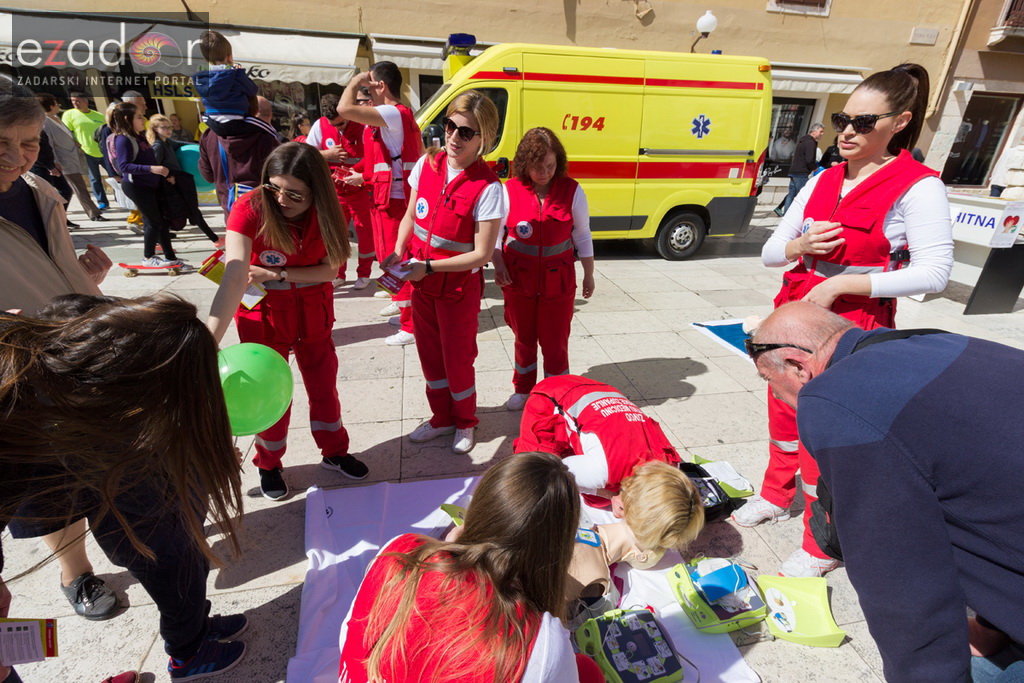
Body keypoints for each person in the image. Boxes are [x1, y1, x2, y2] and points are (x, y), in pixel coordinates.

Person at [733, 63, 954, 578]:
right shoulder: (821, 177)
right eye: (841, 119)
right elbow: (771, 251)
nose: (847, 132)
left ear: (899, 122)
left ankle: (822, 543)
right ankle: (774, 494)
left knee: (826, 437)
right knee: (784, 416)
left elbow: (935, 273)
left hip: (851, 325)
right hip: (793, 315)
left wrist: (838, 284)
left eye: (862, 121)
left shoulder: (918, 186)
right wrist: (798, 245)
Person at [748, 301, 1024, 682]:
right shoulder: (934, 342)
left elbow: (899, 576)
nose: (776, 396)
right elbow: (989, 480)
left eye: (768, 380)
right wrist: (992, 628)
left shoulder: (835, 400)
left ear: (798, 365)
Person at [0, 294, 249, 683]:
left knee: (186, 567)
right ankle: (189, 654)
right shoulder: (30, 423)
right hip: (140, 518)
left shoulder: (62, 369)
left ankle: (195, 632)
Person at [0, 81, 118, 628]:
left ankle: (132, 531)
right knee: (52, 484)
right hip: (21, 378)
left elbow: (50, 263)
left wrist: (82, 279)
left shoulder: (41, 191)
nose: (15, 156)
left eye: (27, 142)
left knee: (105, 458)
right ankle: (76, 572)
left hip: (82, 352)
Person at [338, 451, 603, 683]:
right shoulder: (540, 642)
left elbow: (348, 639)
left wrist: (447, 548)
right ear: (556, 548)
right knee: (587, 671)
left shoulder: (400, 550)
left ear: (479, 508)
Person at [206, 142, 368, 500]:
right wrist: (207, 338)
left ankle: (335, 452)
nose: (281, 200)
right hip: (262, 319)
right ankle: (269, 464)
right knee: (268, 397)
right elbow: (234, 274)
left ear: (316, 193)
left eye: (294, 194)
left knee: (324, 390)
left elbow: (330, 270)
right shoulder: (248, 209)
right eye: (273, 187)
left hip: (313, 316)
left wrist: (276, 273)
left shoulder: (330, 213)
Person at [388, 91, 504, 454]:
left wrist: (428, 267)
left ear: (483, 138)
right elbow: (410, 216)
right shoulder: (428, 164)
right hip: (421, 285)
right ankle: (441, 418)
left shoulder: (488, 187)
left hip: (455, 291)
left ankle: (465, 421)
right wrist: (395, 253)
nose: (453, 137)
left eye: (465, 132)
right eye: (450, 126)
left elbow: (481, 253)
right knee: (429, 355)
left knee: (457, 359)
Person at [513, 374, 703, 557]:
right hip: (553, 394)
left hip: (599, 393)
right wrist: (608, 494)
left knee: (599, 497)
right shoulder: (601, 469)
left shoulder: (672, 468)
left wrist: (614, 496)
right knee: (531, 477)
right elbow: (552, 473)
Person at [492, 128, 595, 411]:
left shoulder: (572, 191)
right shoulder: (508, 190)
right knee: (523, 339)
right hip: (518, 281)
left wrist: (589, 273)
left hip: (558, 283)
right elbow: (495, 235)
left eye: (550, 166)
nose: (544, 172)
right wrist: (498, 265)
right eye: (538, 166)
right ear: (525, 163)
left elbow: (583, 235)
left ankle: (556, 393)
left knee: (555, 342)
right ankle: (523, 389)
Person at [337, 62, 423, 346]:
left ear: (381, 85)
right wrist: (363, 175)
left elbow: (343, 110)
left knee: (397, 260)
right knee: (392, 257)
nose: (365, 91)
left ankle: (411, 326)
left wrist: (355, 82)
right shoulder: (397, 115)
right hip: (387, 198)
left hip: (394, 203)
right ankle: (405, 310)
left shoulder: (391, 112)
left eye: (369, 85)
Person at [108, 102, 191, 270]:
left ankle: (170, 258)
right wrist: (152, 169)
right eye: (139, 117)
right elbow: (123, 166)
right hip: (136, 186)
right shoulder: (123, 139)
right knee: (154, 222)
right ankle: (148, 257)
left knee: (161, 221)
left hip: (150, 185)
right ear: (127, 119)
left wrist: (162, 175)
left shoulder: (139, 136)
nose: (143, 119)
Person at [304, 93, 375, 290]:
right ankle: (338, 273)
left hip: (360, 190)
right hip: (334, 191)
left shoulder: (363, 125)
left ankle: (365, 273)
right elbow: (307, 154)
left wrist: (357, 171)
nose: (338, 128)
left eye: (342, 124)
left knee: (365, 233)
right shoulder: (319, 126)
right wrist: (328, 154)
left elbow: (373, 156)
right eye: (334, 125)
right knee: (336, 234)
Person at [147, 114, 222, 248]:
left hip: (178, 181)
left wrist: (203, 146)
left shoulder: (168, 142)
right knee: (178, 213)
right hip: (170, 184)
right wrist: (167, 179)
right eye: (164, 127)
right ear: (155, 129)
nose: (168, 130)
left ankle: (215, 239)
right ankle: (158, 243)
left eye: (169, 127)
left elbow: (182, 144)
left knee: (192, 210)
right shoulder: (158, 146)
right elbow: (155, 169)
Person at [191, 31, 276, 139]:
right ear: (229, 56)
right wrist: (241, 74)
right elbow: (252, 90)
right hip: (236, 120)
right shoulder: (235, 74)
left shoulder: (201, 78)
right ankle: (276, 137)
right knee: (265, 128)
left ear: (205, 59)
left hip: (212, 121)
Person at [36, 93, 105, 223]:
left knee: (72, 189)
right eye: (56, 103)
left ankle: (62, 217)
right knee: (77, 188)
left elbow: (65, 134)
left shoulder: (56, 117)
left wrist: (73, 141)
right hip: (63, 161)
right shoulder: (46, 122)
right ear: (50, 106)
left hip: (72, 156)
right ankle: (93, 213)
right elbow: (49, 144)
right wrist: (54, 162)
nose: (58, 105)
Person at [197, 114, 280, 220]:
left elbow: (208, 176)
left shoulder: (209, 136)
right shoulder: (266, 137)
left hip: (232, 212)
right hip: (266, 212)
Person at [61, 91, 109, 210]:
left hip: (104, 151)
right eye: (72, 101)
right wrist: (74, 143)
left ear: (85, 101)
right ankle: (102, 202)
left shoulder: (98, 115)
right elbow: (66, 131)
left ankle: (121, 197)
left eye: (77, 100)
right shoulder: (69, 114)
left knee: (115, 175)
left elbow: (106, 132)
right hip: (86, 151)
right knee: (94, 178)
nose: (75, 103)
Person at [777, 122, 824, 216]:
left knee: (791, 195)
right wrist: (815, 169)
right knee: (800, 195)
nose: (822, 134)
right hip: (801, 172)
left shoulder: (802, 140)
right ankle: (795, 215)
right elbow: (809, 159)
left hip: (794, 171)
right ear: (814, 132)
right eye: (821, 131)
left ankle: (787, 214)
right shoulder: (811, 142)